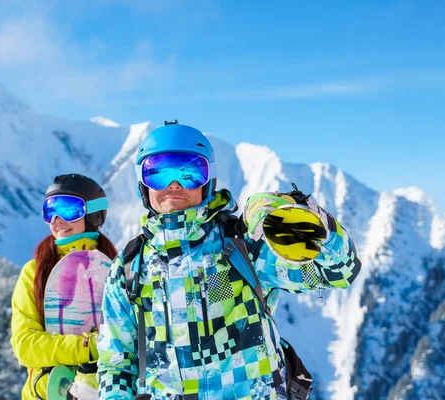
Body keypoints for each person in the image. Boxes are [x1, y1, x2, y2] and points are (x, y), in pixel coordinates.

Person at [97, 122, 362, 399]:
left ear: (208, 182)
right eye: (158, 173)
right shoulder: (129, 267)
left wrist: (312, 221)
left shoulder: (245, 246)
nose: (174, 184)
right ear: (143, 185)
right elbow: (116, 365)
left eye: (189, 173)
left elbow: (339, 272)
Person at [11, 174, 118, 400]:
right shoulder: (35, 272)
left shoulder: (117, 270)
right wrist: (90, 347)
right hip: (45, 393)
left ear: (93, 214)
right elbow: (25, 345)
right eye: (50, 211)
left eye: (69, 210)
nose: (57, 220)